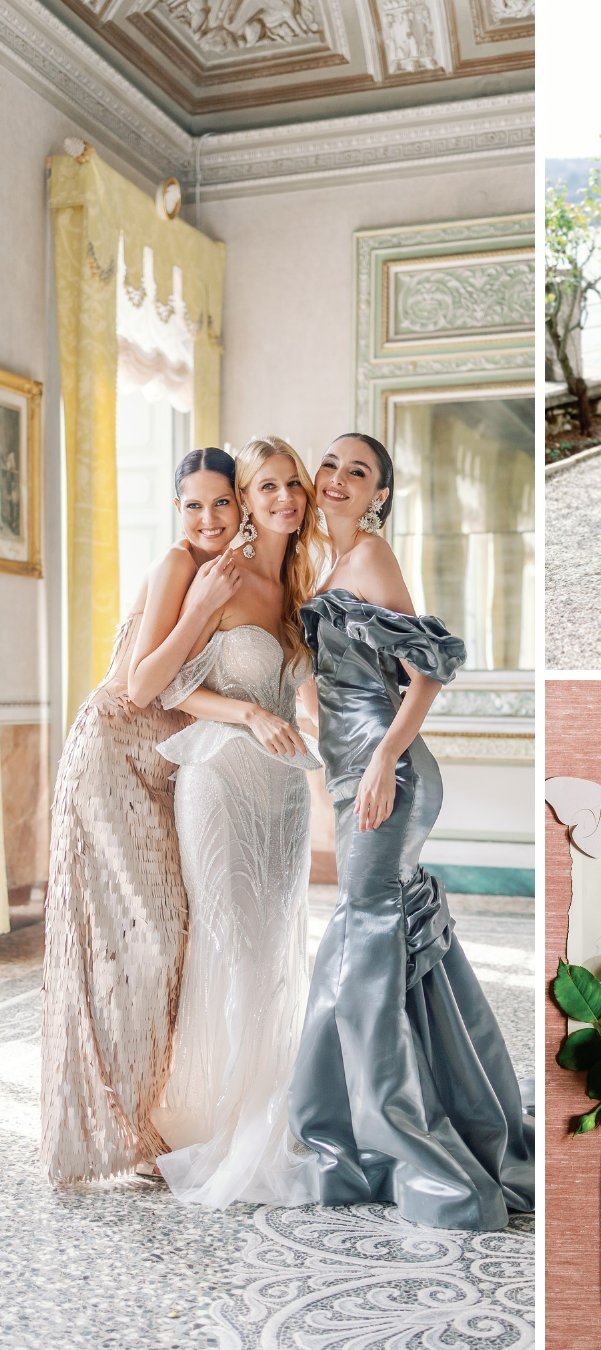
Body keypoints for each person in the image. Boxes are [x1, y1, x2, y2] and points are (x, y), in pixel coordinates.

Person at [289, 432, 535, 1231]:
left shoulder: (370, 559)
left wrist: (379, 759)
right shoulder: (328, 563)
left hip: (386, 773)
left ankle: (408, 1152)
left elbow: (428, 666)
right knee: (382, 939)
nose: (336, 479)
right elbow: (335, 676)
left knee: (366, 938)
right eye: (329, 464)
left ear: (378, 496)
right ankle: (445, 1116)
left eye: (356, 472)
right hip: (353, 769)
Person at [41, 447, 241, 1185]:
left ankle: (142, 1121)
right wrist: (200, 610)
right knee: (147, 939)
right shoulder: (178, 567)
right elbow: (140, 685)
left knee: (165, 939)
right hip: (111, 756)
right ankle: (115, 1133)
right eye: (192, 505)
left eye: (220, 503)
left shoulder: (225, 570)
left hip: (163, 766)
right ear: (176, 510)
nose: (207, 518)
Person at [152, 435, 325, 1207]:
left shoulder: (298, 583)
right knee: (230, 944)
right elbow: (167, 686)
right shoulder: (217, 574)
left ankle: (272, 1106)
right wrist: (248, 714)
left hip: (284, 793)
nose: (281, 498)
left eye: (291, 484)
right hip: (220, 778)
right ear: (249, 501)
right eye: (264, 488)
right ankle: (222, 1124)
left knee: (277, 947)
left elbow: (309, 699)